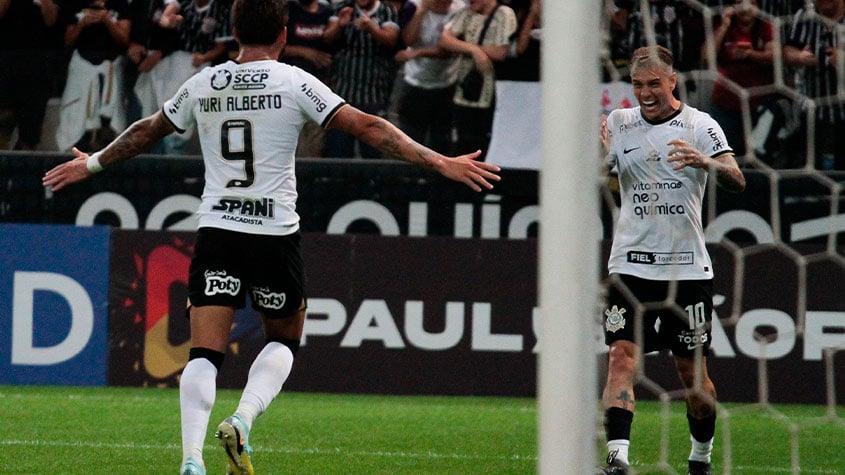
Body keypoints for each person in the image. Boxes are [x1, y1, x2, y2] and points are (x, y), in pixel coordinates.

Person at [42, 0, 501, 473]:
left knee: (203, 351)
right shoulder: (294, 81)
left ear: (235, 33)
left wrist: (92, 163)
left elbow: (147, 131)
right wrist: (441, 161)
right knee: (284, 338)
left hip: (218, 230)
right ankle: (242, 418)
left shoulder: (205, 82)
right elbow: (368, 126)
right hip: (273, 234)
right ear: (284, 35)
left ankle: (191, 460)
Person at [598, 45, 746, 475]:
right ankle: (617, 460)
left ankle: (700, 457)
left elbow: (737, 177)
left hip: (686, 269)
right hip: (630, 265)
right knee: (621, 357)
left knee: (692, 377)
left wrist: (706, 162)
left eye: (653, 84)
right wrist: (596, 156)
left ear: (672, 81)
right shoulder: (619, 123)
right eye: (638, 85)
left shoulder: (700, 125)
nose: (645, 93)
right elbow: (593, 176)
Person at [438, 0, 516, 161]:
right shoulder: (466, 13)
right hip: (465, 88)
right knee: (462, 140)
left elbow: (500, 51)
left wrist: (464, 46)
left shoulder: (503, 14)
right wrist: (473, 50)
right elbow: (445, 40)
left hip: (490, 91)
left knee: (483, 144)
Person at [322, 0, 400, 158]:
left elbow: (391, 39)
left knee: (373, 153)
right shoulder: (342, 8)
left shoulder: (387, 11)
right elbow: (327, 38)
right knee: (338, 151)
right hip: (343, 93)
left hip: (374, 92)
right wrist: (340, 25)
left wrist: (371, 28)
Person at [54, 0, 132, 152]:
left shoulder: (119, 5)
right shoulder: (74, 4)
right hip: (82, 66)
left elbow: (124, 40)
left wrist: (107, 20)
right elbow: (67, 40)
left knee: (109, 127)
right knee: (76, 121)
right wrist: (82, 24)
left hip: (110, 68)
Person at [393, 0, 463, 153]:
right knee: (411, 137)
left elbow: (449, 50)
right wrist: (421, 12)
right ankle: (410, 175)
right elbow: (408, 40)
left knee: (442, 139)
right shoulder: (413, 6)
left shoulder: (459, 10)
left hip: (447, 83)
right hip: (415, 81)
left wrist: (417, 52)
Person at [707, 0, 775, 157]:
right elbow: (706, 55)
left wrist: (750, 54)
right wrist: (724, 26)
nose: (745, 8)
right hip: (725, 101)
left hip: (757, 104)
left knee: (756, 157)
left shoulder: (765, 26)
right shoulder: (726, 26)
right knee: (722, 155)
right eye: (739, 2)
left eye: (751, 2)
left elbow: (774, 56)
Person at [783, 0, 845, 170]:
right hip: (813, 108)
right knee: (811, 168)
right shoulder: (804, 16)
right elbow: (787, 51)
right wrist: (799, 57)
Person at [0, 0, 62, 151]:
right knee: (3, 119)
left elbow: (51, 20)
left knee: (31, 127)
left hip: (36, 62)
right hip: (4, 58)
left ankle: (24, 165)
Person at [279, 0, 335, 157]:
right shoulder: (287, 11)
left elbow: (333, 47)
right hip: (287, 88)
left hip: (317, 90)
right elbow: (274, 46)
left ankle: (311, 179)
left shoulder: (327, 12)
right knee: (287, 142)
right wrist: (305, 52)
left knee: (314, 143)